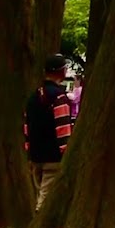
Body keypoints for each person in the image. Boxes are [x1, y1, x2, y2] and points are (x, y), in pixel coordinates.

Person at [25, 54, 76, 207]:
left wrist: (28, 150)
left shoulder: (33, 96)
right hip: (53, 157)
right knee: (45, 200)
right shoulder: (59, 97)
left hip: (35, 156)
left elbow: (27, 126)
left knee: (39, 192)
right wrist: (66, 152)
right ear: (62, 71)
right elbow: (63, 127)